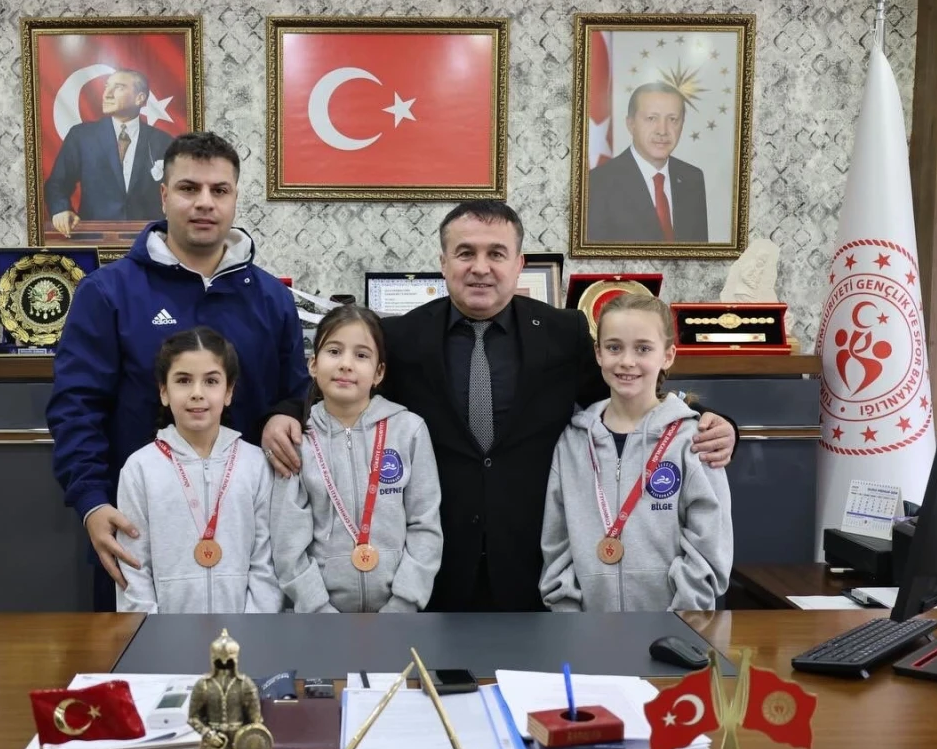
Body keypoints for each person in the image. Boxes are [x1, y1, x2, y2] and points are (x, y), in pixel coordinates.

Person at [263, 200, 736, 612]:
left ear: (518, 263)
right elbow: (344, 389)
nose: (480, 267)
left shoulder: (563, 332)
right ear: (443, 262)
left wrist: (714, 422)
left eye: (496, 253)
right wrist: (285, 411)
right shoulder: (402, 337)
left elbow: (629, 400)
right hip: (432, 570)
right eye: (465, 253)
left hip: (537, 567)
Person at [47, 131, 310, 611]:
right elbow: (75, 407)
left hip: (247, 538)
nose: (205, 202)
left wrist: (286, 412)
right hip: (141, 534)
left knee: (248, 656)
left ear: (234, 198)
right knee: (141, 655)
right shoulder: (107, 292)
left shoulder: (271, 298)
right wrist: (91, 502)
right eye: (189, 188)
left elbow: (295, 392)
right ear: (164, 195)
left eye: (219, 190)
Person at [539, 294, 732, 611]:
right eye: (614, 347)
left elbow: (709, 545)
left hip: (675, 628)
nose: (627, 361)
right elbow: (556, 545)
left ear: (668, 355)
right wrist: (569, 621)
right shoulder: (573, 442)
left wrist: (680, 622)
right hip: (584, 631)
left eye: (643, 349)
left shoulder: (693, 440)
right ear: (598, 354)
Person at [271, 305, 443, 613]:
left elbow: (425, 524)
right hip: (319, 621)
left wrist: (404, 605)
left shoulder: (409, 431)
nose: (346, 364)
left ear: (379, 372)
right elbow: (288, 541)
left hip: (399, 618)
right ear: (313, 364)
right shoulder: (297, 440)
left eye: (361, 355)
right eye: (334, 351)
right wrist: (319, 611)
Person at [114, 328, 280, 614]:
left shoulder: (256, 465)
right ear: (163, 392)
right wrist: (150, 631)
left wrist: (254, 629)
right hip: (164, 636)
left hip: (246, 633)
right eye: (183, 381)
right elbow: (134, 568)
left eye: (211, 381)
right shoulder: (140, 469)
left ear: (229, 392)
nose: (197, 393)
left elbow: (267, 563)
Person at [44, 69, 176, 235]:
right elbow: (57, 184)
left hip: (148, 241)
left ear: (140, 98)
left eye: (119, 87)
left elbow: (177, 191)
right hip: (93, 238)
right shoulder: (81, 136)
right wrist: (60, 210)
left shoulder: (164, 142)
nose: (107, 94)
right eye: (107, 87)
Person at [584, 82, 709, 243]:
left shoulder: (693, 178)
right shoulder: (597, 183)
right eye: (651, 118)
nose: (662, 131)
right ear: (631, 124)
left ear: (682, 124)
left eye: (673, 119)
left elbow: (699, 254)